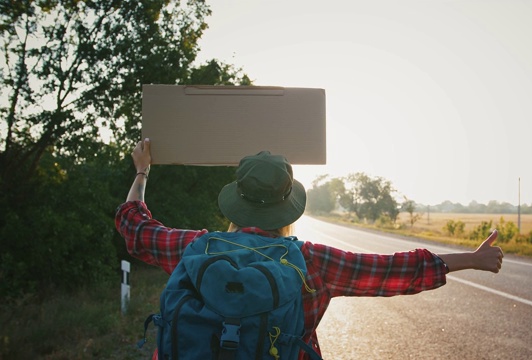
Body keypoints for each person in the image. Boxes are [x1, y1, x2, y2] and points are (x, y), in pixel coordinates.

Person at [116, 139, 504, 359]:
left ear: (236, 200)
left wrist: (142, 170)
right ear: (289, 207)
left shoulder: (195, 247)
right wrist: (473, 259)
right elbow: (394, 271)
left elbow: (135, 226)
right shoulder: (312, 261)